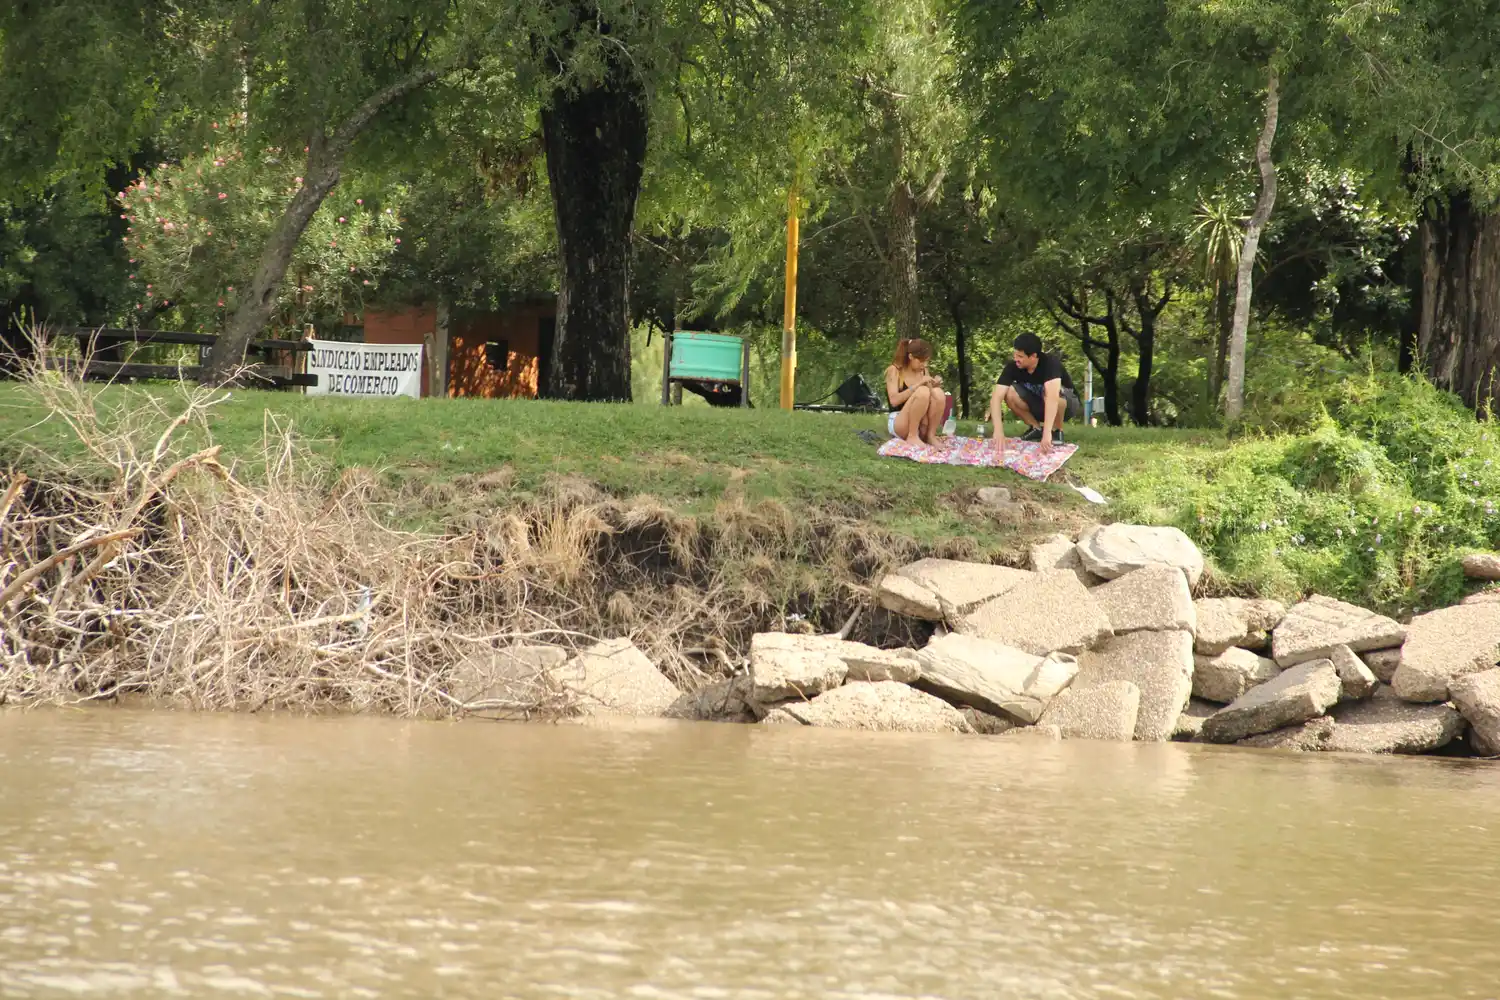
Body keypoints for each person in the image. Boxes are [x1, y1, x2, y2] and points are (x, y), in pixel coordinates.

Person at [989, 332, 1080, 454]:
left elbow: (1053, 398)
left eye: (1020, 356)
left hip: (1065, 405)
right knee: (1009, 391)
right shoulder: (1013, 367)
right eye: (1015, 355)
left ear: (1033, 356)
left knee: (1051, 391)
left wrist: (1047, 434)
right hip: (1039, 406)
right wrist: (998, 430)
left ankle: (1057, 431)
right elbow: (996, 398)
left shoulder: (1051, 363)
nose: (1016, 359)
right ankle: (1036, 428)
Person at [884, 338, 946, 446]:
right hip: (900, 421)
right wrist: (918, 385)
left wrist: (934, 385)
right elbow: (894, 401)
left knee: (939, 393)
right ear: (911, 357)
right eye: (921, 361)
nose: (924, 364)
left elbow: (929, 397)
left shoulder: (923, 370)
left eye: (927, 361)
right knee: (922, 391)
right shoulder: (894, 370)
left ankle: (930, 436)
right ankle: (912, 436)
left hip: (921, 420)